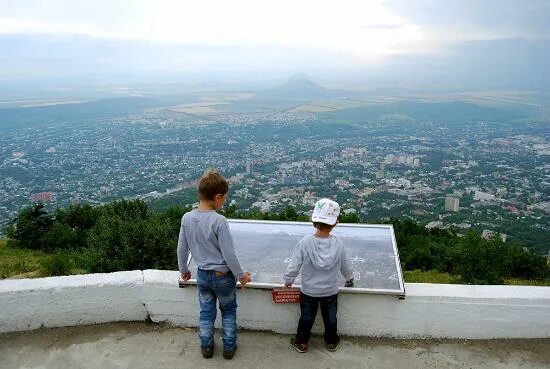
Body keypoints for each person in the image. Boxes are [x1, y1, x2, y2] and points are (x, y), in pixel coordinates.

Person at [177, 170, 251, 360]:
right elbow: (229, 254)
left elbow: (182, 249)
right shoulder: (219, 221)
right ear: (218, 197)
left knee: (206, 312)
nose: (224, 201)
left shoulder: (187, 218)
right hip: (222, 277)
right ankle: (228, 347)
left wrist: (184, 270)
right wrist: (242, 275)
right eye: (224, 198)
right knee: (227, 311)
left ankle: (207, 346)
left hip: (202, 275)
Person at [283, 198, 354, 353]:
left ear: (313, 220)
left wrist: (289, 280)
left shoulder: (305, 243)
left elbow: (294, 264)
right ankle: (331, 342)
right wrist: (349, 278)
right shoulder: (338, 244)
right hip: (330, 290)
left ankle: (301, 342)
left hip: (309, 291)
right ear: (335, 223)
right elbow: (345, 266)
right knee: (331, 319)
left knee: (307, 317)